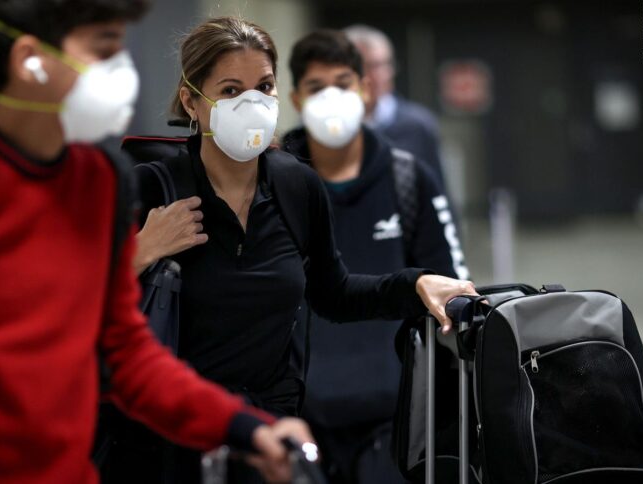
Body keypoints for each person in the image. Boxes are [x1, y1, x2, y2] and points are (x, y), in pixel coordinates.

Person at [0, 2, 316, 483]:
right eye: (105, 48)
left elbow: (127, 353)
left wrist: (245, 428)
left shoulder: (100, 178)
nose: (122, 68)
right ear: (30, 61)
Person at [119, 16, 477, 484]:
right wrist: (138, 253)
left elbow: (335, 293)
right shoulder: (150, 188)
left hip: (271, 440)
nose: (251, 103)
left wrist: (415, 284)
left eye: (262, 86)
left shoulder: (295, 184)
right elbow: (82, 310)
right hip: (172, 441)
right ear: (192, 101)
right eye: (230, 91)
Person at [282, 29, 470, 484]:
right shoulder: (274, 182)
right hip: (298, 419)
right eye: (316, 87)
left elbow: (450, 285)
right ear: (295, 98)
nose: (331, 97)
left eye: (342, 83)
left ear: (365, 89)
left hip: (395, 417)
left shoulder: (408, 178)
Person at [344, 24, 447, 188]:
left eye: (383, 65)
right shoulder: (326, 125)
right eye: (366, 66)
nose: (376, 75)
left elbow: (439, 191)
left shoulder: (418, 125)